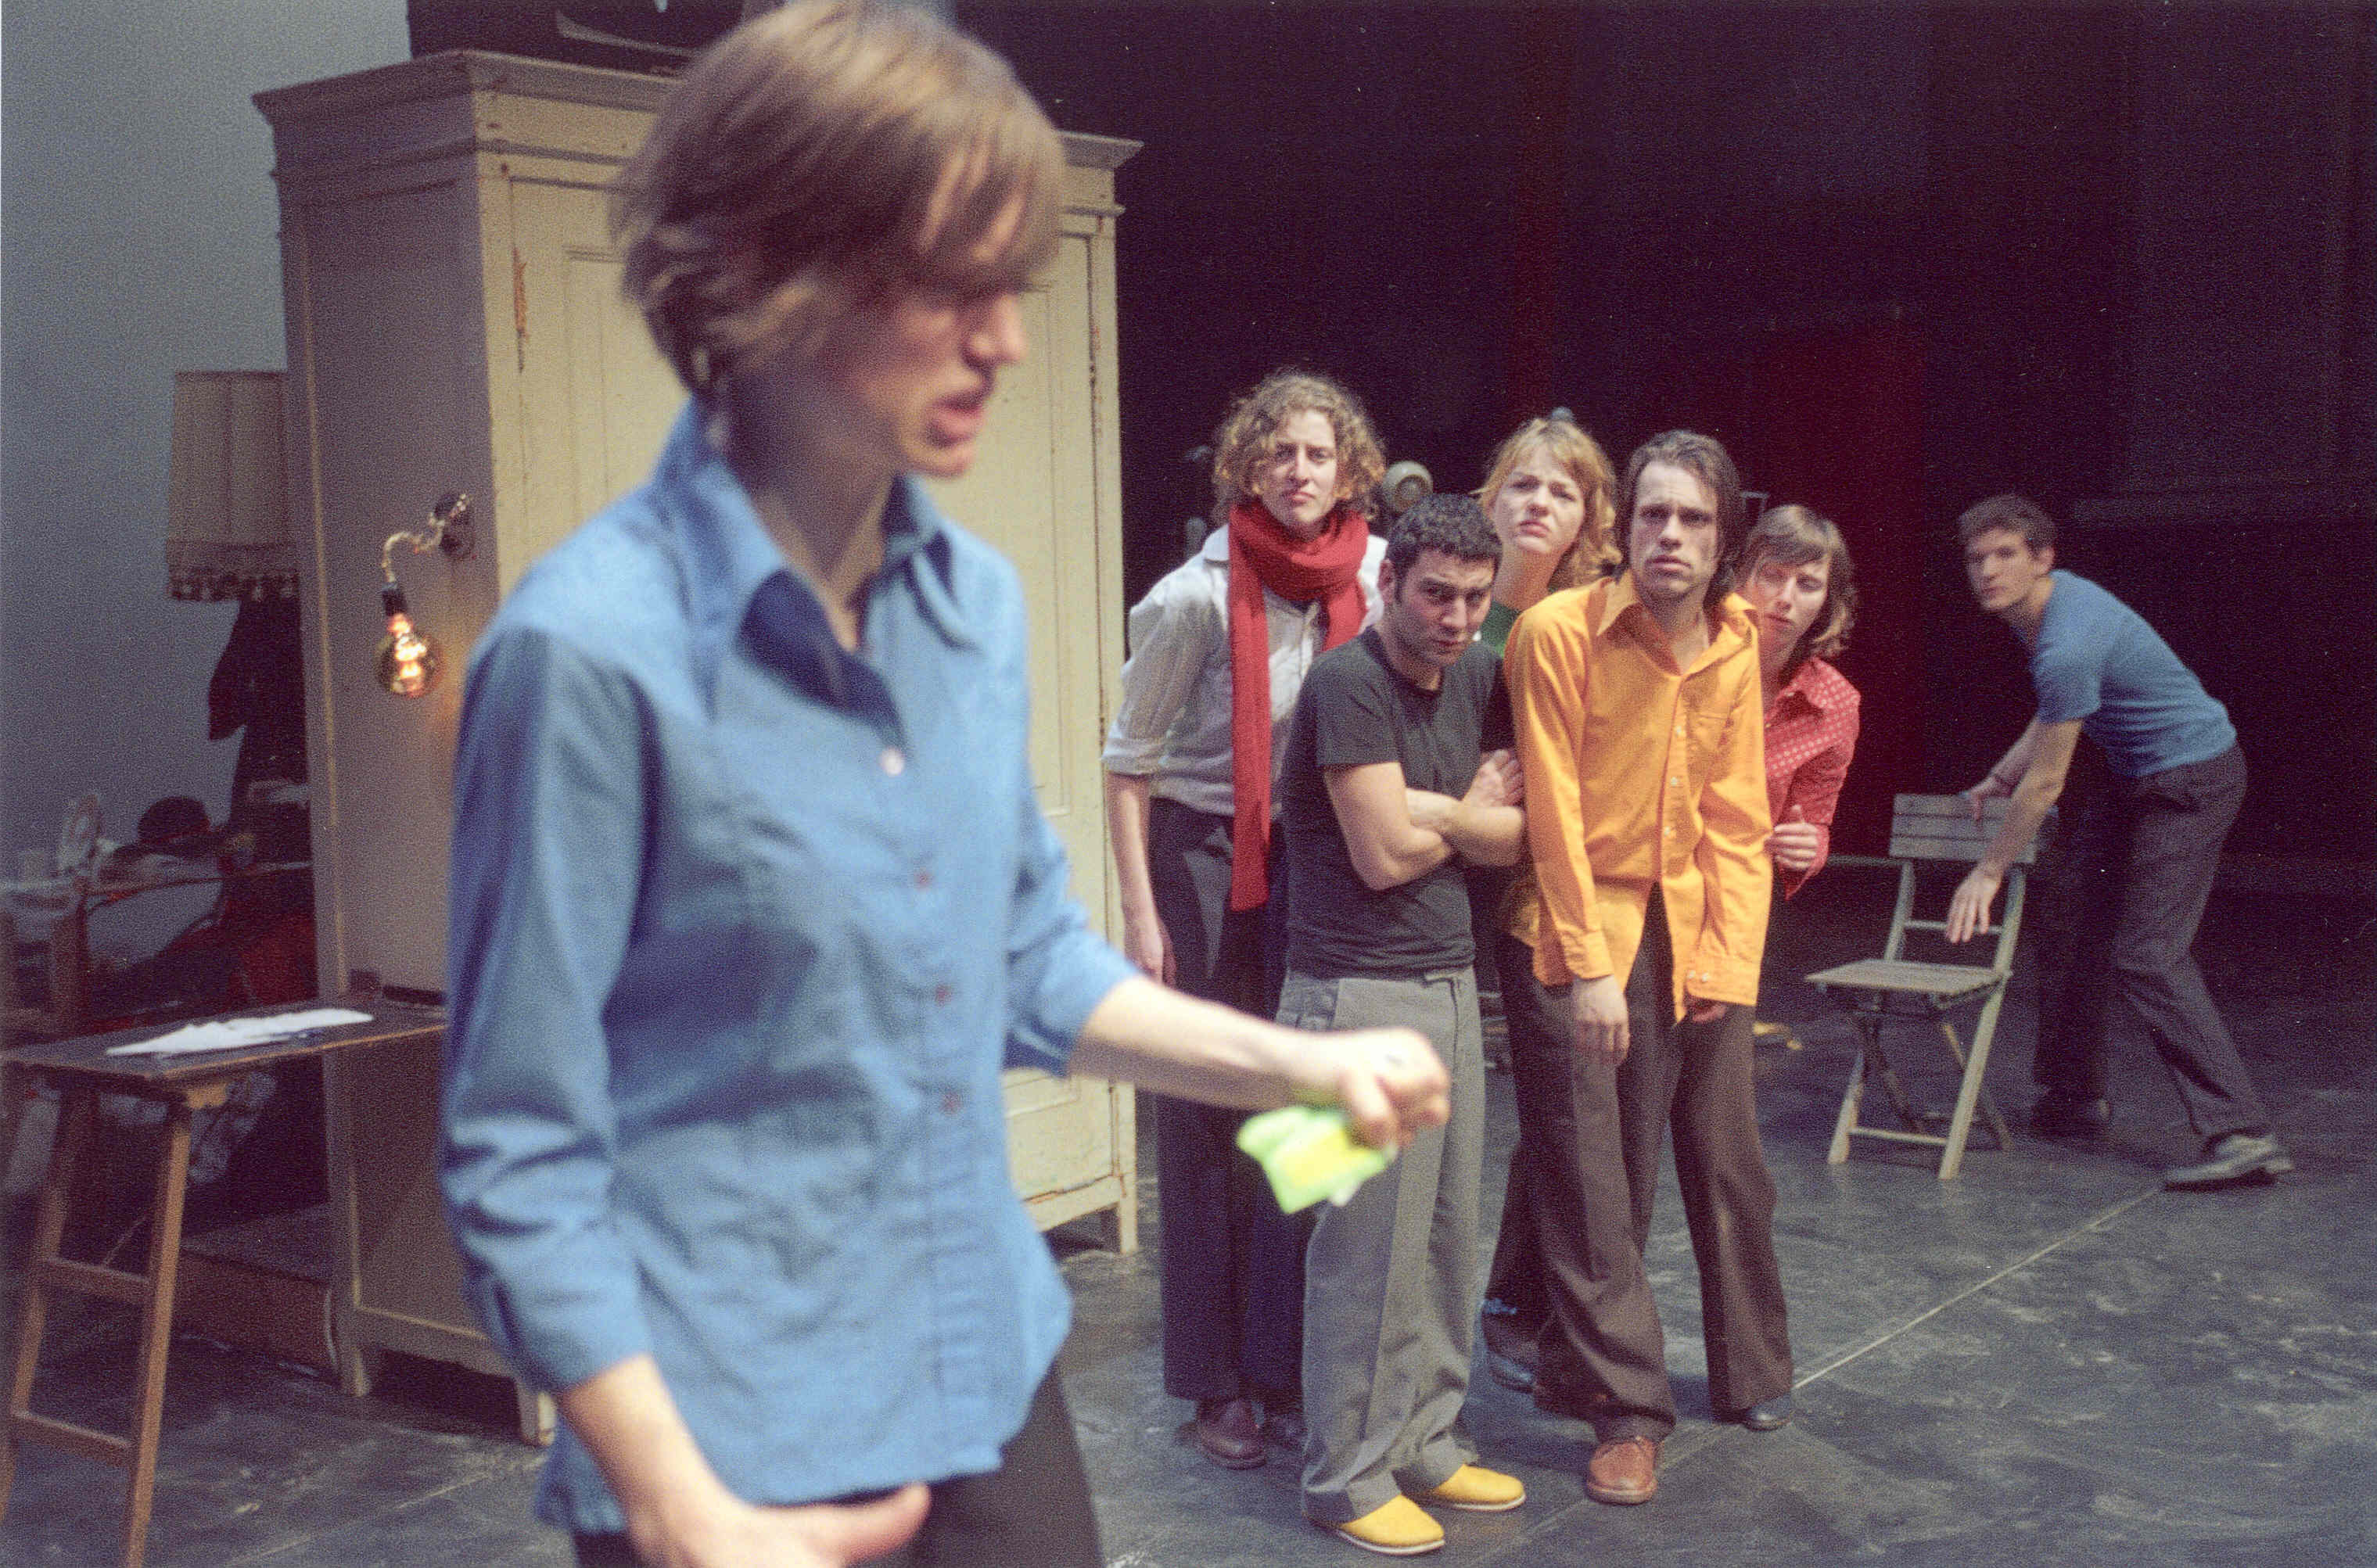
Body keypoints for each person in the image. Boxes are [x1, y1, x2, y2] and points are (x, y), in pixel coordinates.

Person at [436, 10, 1449, 1567]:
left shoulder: (967, 605)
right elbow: (517, 1143)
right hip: (722, 1431)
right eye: (948, 286)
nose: (1004, 340)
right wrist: (677, 1507)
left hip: (975, 1365)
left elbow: (1021, 964)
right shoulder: (586, 655)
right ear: (765, 275)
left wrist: (1290, 1070)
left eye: (1009, 286)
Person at [1100, 370, 1386, 1468]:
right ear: (1246, 467)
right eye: (1278, 453)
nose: (1298, 471)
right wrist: (1140, 914)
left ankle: (1279, 1361)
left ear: (1348, 469)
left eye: (1317, 453)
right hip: (1204, 855)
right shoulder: (1191, 597)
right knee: (1208, 1115)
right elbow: (1127, 764)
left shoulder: (1375, 574)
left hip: (1317, 857)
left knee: (1303, 1109)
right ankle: (1213, 1380)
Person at [1503, 430, 1790, 1509]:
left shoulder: (1735, 640)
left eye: (1694, 518)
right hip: (1577, 918)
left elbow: (1736, 814)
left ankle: (1748, 1369)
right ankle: (1625, 1412)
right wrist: (1587, 966)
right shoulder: (1557, 630)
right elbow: (1551, 808)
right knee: (1599, 1176)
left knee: (1725, 1154)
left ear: (1723, 540)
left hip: (1693, 917)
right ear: (1622, 525)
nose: (1670, 535)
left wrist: (1727, 962)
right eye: (1653, 514)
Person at [1274, 493, 1529, 1556]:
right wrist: (1467, 812)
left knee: (1441, 1241)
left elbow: (1518, 834)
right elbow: (1380, 856)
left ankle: (1422, 1440)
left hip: (1448, 983)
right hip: (1353, 995)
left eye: (1473, 597)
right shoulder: (1346, 683)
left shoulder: (1479, 673)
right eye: (1434, 594)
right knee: (1364, 1254)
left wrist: (1443, 813)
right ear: (1389, 582)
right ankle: (1344, 1474)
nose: (1455, 617)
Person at [1947, 494, 2289, 1189]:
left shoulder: (2065, 640)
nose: (1987, 570)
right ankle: (2073, 1095)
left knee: (2148, 953)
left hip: (2193, 778)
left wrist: (1988, 869)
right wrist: (2000, 773)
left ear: (2043, 559)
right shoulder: (2047, 616)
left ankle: (2241, 1130)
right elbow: (2055, 710)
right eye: (1976, 558)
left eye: (2005, 554)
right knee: (2070, 922)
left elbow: (2046, 786)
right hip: (2135, 775)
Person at [1455, 414, 1626, 1397]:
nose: (1540, 503)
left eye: (1564, 491)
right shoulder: (1449, 600)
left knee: (1560, 1098)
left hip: (1536, 882)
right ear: (1492, 499)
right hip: (1435, 872)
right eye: (1523, 484)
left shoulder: (1593, 620)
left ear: (1588, 517)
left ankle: (1518, 1301)